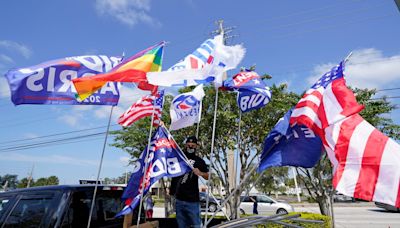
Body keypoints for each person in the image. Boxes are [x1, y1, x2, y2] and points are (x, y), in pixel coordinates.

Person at [170, 136, 209, 228]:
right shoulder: (178, 158)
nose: (190, 146)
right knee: (182, 225)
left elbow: (208, 176)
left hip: (192, 200)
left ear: (196, 146)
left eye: (193, 145)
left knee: (196, 225)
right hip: (179, 199)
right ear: (185, 145)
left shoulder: (200, 161)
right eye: (189, 144)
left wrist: (200, 173)